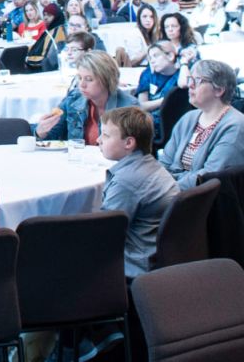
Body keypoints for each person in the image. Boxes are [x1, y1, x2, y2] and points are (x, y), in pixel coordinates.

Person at [99, 107, 180, 278]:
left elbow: (105, 234)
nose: (99, 140)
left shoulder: (127, 182)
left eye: (106, 135)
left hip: (134, 265)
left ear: (128, 143)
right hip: (158, 255)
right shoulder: (151, 164)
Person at [161, 59, 244, 189]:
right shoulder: (188, 118)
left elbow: (209, 176)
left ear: (219, 90)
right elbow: (165, 162)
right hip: (173, 191)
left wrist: (166, 187)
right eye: (190, 79)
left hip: (203, 201)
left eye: (198, 80)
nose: (190, 85)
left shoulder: (236, 126)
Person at [36, 51, 138, 144]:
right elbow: (51, 138)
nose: (81, 85)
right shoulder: (73, 99)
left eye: (89, 79)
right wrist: (40, 133)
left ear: (107, 80)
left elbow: (139, 151)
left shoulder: (130, 108)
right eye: (79, 78)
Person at [136, 41, 181, 137]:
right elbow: (141, 105)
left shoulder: (181, 74)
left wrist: (184, 63)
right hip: (151, 125)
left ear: (170, 56)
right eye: (150, 58)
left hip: (176, 123)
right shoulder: (148, 74)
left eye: (156, 56)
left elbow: (185, 84)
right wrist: (165, 100)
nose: (152, 61)